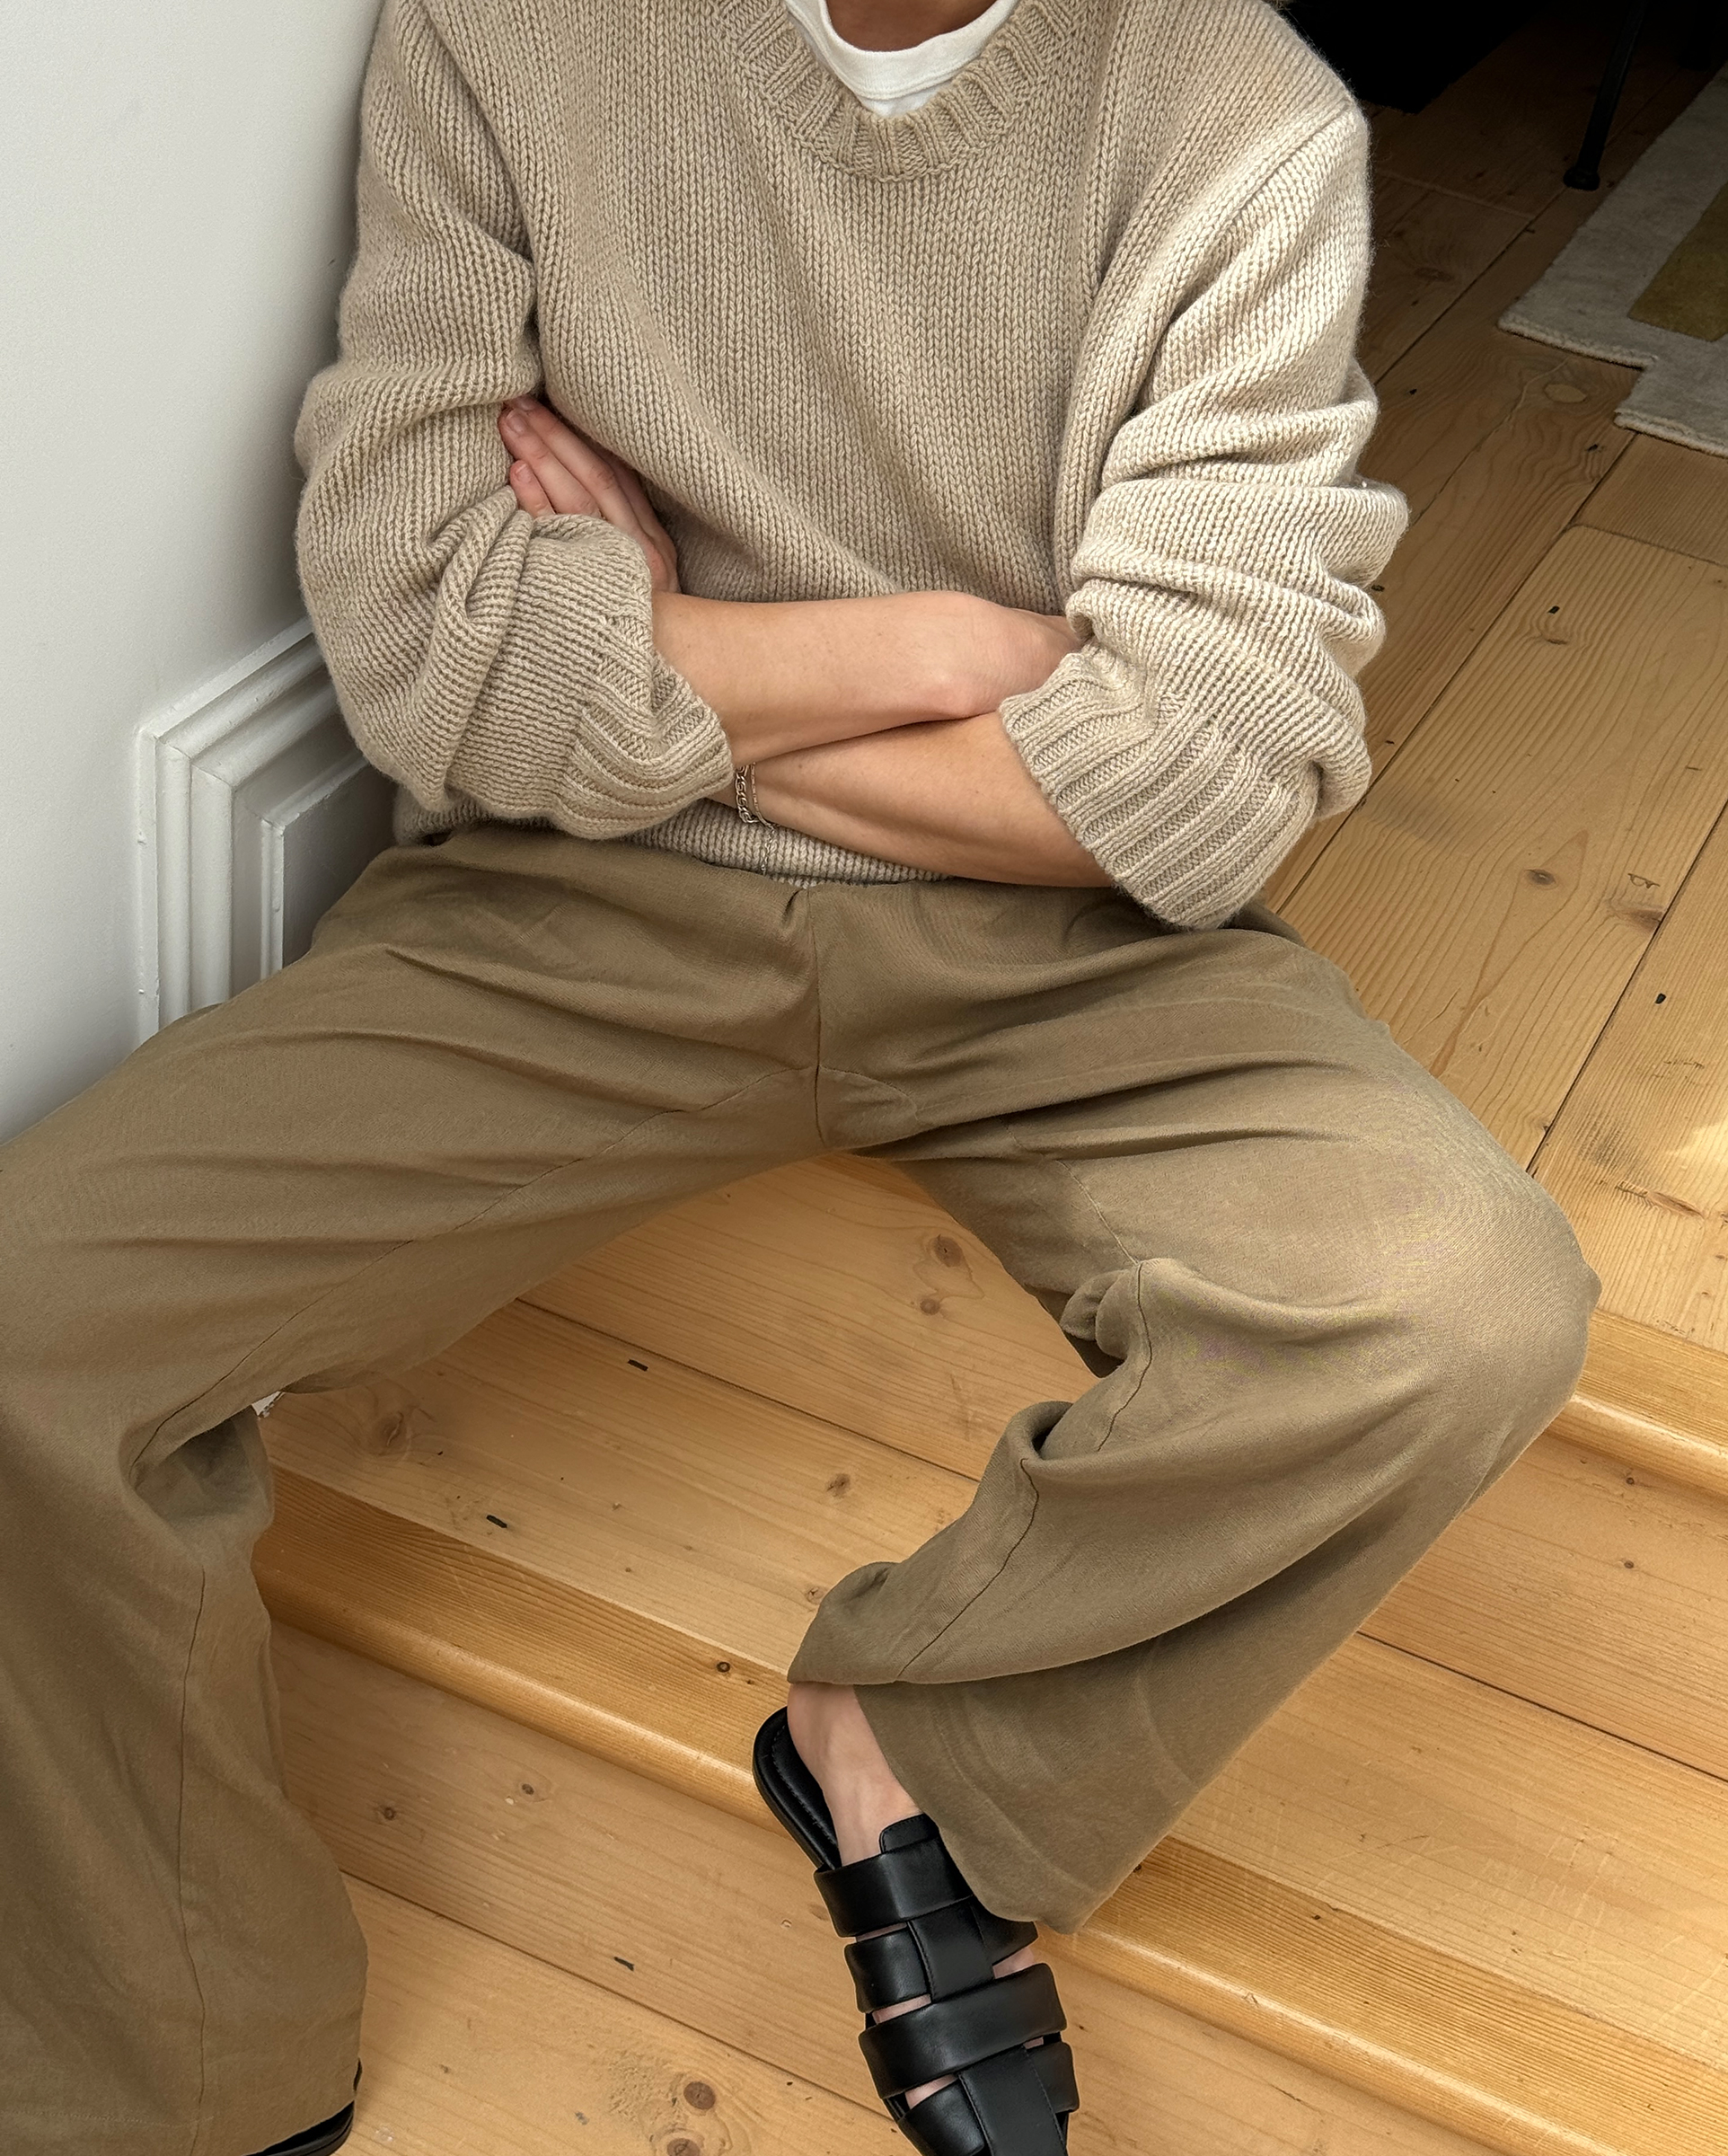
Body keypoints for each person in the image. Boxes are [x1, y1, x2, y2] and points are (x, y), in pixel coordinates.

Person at [0, 1, 1600, 2151]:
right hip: (575, 912)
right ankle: (184, 2061)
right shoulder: (509, 35)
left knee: (1459, 1299)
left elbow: (1213, 775)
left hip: (1071, 958)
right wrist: (951, 654)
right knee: (32, 1322)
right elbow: (422, 651)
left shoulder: (1235, 114)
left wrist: (662, 647)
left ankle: (926, 1740)